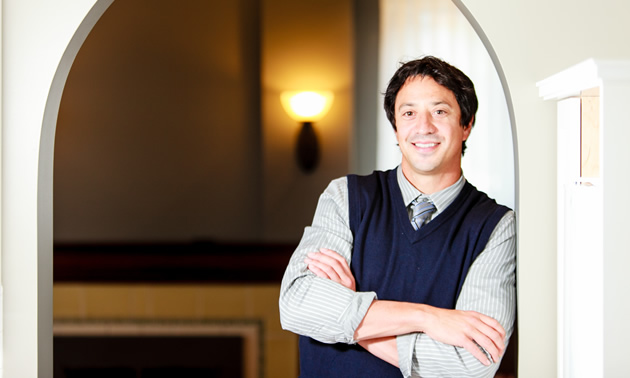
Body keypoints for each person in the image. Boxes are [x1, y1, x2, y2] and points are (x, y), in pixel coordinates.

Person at [279, 55, 516, 378]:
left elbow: (473, 362)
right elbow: (298, 304)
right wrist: (428, 318)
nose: (424, 127)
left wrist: (350, 314)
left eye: (440, 111)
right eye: (409, 113)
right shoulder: (345, 197)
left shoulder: (496, 227)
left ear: (466, 125)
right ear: (395, 126)